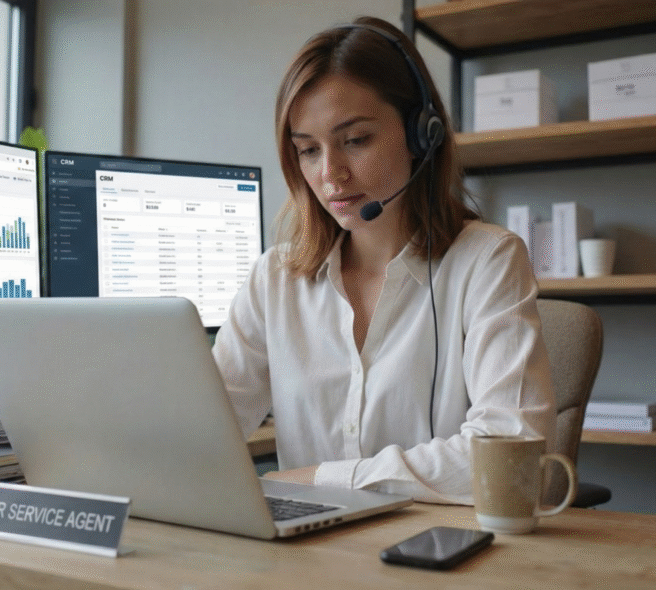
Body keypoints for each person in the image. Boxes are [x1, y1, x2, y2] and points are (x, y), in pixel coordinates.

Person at [212, 16, 555, 504]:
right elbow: (204, 432)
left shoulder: (487, 261)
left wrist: (314, 480)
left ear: (421, 136)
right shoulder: (274, 279)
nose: (331, 173)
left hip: (440, 561)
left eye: (355, 141)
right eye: (308, 150)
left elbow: (515, 453)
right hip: (305, 565)